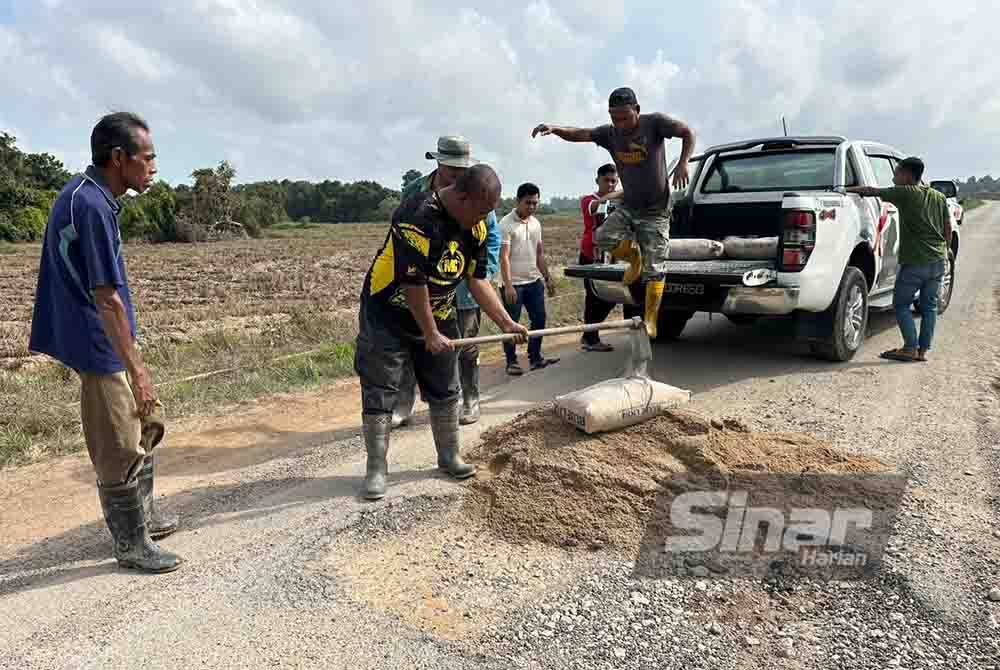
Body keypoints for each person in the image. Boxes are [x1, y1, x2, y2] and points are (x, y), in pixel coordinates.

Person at [28, 112, 182, 574]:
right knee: (119, 439)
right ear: (119, 158)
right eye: (148, 157)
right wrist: (138, 368)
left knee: (141, 422)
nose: (154, 166)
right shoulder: (91, 206)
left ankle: (146, 518)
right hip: (97, 338)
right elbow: (106, 297)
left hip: (104, 333)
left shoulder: (92, 196)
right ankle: (132, 544)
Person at [355, 164, 527, 500]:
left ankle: (449, 457)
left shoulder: (475, 227)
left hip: (440, 308)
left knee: (446, 384)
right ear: (462, 198)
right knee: (380, 386)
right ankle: (377, 468)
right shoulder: (416, 216)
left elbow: (476, 280)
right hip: (388, 312)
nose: (484, 220)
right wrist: (430, 333)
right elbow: (413, 282)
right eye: (481, 211)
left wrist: (506, 322)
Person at [531, 86, 696, 338]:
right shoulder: (610, 134)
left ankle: (651, 319)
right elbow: (581, 134)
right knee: (602, 237)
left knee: (656, 269)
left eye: (625, 117)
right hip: (629, 204)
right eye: (614, 118)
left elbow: (687, 132)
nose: (619, 123)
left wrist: (684, 161)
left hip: (655, 210)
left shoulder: (654, 124)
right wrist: (555, 129)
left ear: (637, 110)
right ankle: (634, 258)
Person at [392, 136, 501, 428]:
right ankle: (403, 404)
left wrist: (481, 274)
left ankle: (470, 399)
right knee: (415, 341)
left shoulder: (478, 192)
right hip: (422, 283)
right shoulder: (415, 192)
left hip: (465, 283)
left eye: (463, 169)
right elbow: (403, 236)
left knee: (465, 344)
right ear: (439, 163)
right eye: (453, 169)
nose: (459, 175)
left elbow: (490, 238)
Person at [847, 157, 952, 362]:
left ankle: (910, 348)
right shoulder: (938, 196)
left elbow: (870, 190)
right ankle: (922, 351)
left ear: (907, 175)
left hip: (915, 262)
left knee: (901, 304)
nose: (894, 177)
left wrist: (841, 189)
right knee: (929, 306)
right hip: (938, 260)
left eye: (897, 173)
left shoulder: (905, 192)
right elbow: (947, 227)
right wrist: (944, 250)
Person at [498, 183, 560, 375]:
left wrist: (547, 277)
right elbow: (504, 257)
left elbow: (539, 253)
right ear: (518, 201)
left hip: (533, 282)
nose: (532, 207)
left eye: (535, 203)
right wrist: (508, 286)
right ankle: (511, 361)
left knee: (539, 319)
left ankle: (535, 357)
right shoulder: (506, 224)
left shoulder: (536, 223)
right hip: (513, 285)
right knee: (511, 324)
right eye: (528, 203)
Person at [579, 163, 625, 352]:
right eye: (607, 180)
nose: (611, 184)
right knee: (593, 298)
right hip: (591, 255)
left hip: (610, 255)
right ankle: (591, 338)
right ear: (597, 180)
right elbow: (597, 205)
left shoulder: (618, 202)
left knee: (611, 296)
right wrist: (623, 191)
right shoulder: (589, 200)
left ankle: (589, 334)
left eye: (614, 181)